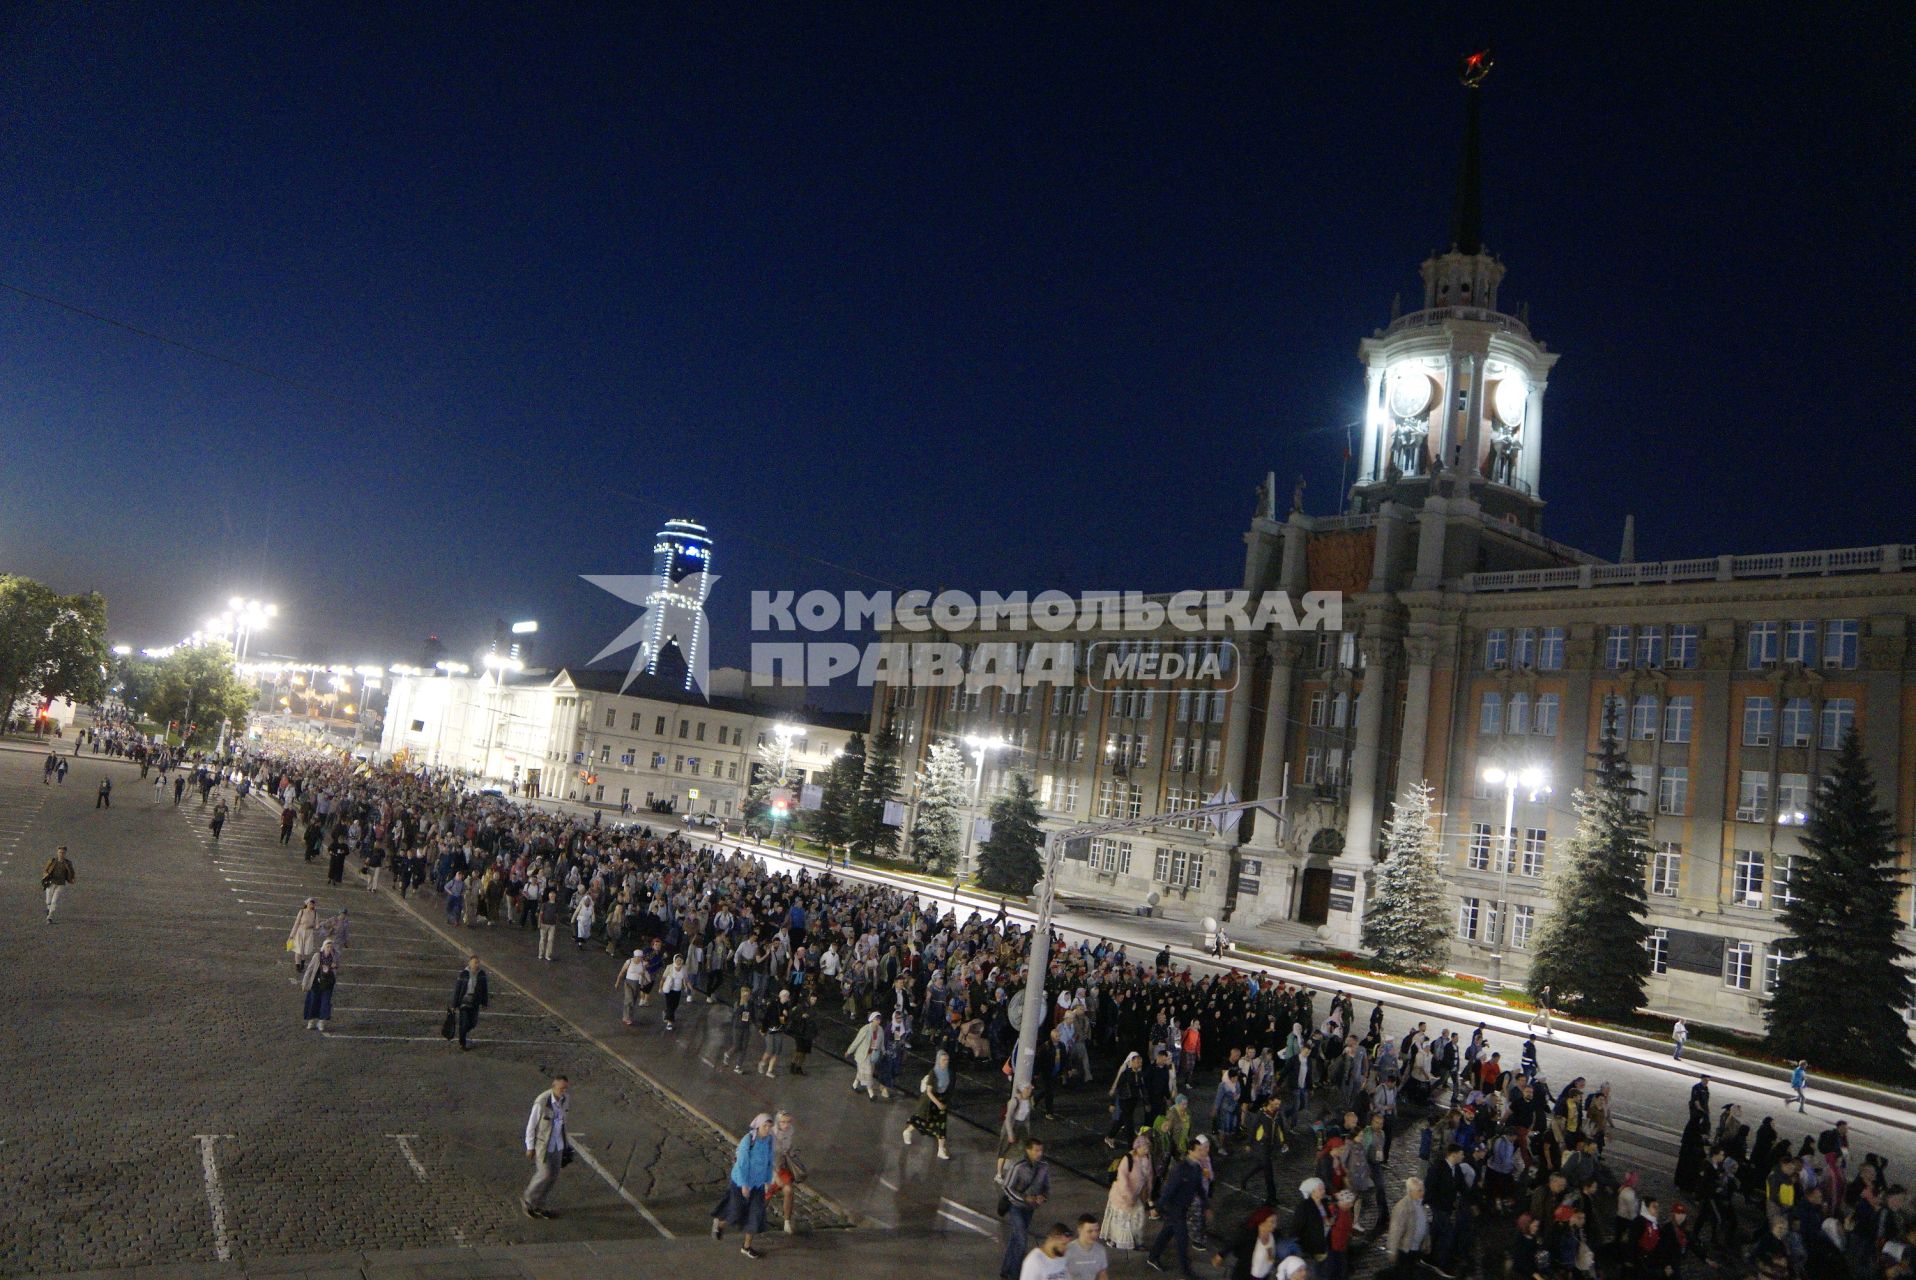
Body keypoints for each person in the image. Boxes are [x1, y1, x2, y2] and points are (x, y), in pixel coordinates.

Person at [712, 1112, 776, 1259]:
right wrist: (744, 1185)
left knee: (756, 1214)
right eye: (764, 1125)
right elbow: (741, 1164)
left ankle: (746, 1247)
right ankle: (720, 1224)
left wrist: (768, 1181)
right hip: (741, 1183)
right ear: (758, 1125)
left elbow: (769, 1162)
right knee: (735, 1211)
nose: (767, 1129)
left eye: (769, 1126)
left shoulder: (770, 1141)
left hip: (758, 1185)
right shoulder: (748, 1141)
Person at [1148, 1143, 1208, 1278]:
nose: (1201, 1152)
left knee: (1167, 1232)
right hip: (1175, 1208)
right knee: (1182, 1240)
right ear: (1190, 1151)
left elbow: (1199, 1188)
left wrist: (1206, 1205)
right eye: (1198, 1150)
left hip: (1182, 1208)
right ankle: (1186, 1272)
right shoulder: (1181, 1168)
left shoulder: (1196, 1168)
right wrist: (1157, 1208)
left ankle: (1153, 1256)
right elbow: (1169, 1190)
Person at [1000, 1137, 1052, 1280]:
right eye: (1036, 1150)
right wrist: (1024, 1198)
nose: (1039, 1153)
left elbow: (1046, 1187)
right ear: (1028, 1150)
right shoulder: (1019, 1166)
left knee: (1016, 1238)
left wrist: (1043, 1197)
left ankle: (1006, 1269)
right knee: (1022, 1240)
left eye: (1041, 1150)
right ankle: (1016, 1274)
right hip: (1016, 1207)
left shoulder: (1043, 1167)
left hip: (1030, 1209)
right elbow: (1007, 1187)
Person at [522, 1076, 571, 1219]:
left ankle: (538, 1204)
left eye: (565, 1088)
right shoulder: (542, 1102)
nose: (564, 1091)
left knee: (553, 1176)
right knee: (544, 1173)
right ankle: (528, 1199)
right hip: (544, 1144)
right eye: (561, 1088)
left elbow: (563, 1121)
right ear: (553, 1086)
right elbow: (531, 1125)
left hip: (558, 1144)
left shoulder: (566, 1099)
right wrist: (530, 1146)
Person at [1101, 1133, 1154, 1250]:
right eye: (1145, 1147)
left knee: (1138, 1219)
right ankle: (1115, 1239)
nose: (1147, 1150)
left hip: (1137, 1195)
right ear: (1137, 1147)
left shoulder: (1147, 1158)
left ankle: (1136, 1241)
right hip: (1122, 1196)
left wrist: (1148, 1195)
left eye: (1148, 1148)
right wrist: (1129, 1197)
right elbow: (1123, 1180)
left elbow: (1149, 1176)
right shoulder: (1128, 1159)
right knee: (1120, 1220)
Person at [903, 1048, 953, 1160]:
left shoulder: (947, 1072)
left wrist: (943, 1102)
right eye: (943, 1060)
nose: (946, 1062)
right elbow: (929, 1092)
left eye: (947, 1060)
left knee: (942, 1125)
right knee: (922, 1121)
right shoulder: (933, 1073)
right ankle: (907, 1131)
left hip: (941, 1099)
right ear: (938, 1061)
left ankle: (941, 1149)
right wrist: (938, 1103)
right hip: (930, 1101)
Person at [1385, 1177, 1431, 1280]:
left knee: (1410, 1271)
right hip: (1405, 1249)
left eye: (1423, 1189)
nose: (1422, 1192)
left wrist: (1426, 1242)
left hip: (1415, 1247)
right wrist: (1392, 1251)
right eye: (1419, 1190)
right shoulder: (1402, 1207)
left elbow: (1424, 1224)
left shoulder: (1420, 1203)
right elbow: (1395, 1230)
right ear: (1410, 1192)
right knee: (1403, 1273)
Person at [770, 1110, 804, 1234]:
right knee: (765, 1197)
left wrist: (792, 1153)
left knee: (789, 1191)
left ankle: (787, 1221)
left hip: (782, 1168)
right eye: (783, 1122)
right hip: (770, 1170)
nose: (786, 1125)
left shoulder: (790, 1131)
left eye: (788, 1122)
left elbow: (789, 1148)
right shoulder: (771, 1134)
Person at [451, 955, 489, 1050]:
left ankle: (463, 1034)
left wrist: (484, 1002)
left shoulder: (482, 974)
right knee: (464, 1022)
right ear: (470, 963)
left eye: (477, 962)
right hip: (464, 1002)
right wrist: (454, 1004)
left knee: (473, 1023)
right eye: (474, 962)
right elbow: (458, 989)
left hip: (475, 1002)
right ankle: (462, 1042)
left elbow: (485, 989)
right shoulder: (463, 974)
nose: (476, 964)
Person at [301, 937, 339, 1031]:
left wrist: (334, 968)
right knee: (313, 1002)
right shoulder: (317, 956)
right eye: (327, 946)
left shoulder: (334, 958)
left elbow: (336, 969)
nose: (329, 948)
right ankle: (311, 1021)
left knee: (325, 1003)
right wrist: (305, 983)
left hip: (328, 984)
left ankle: (321, 1022)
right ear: (324, 947)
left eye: (331, 947)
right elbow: (309, 970)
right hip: (316, 984)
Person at [848, 1011, 887, 1099]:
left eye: (879, 1019)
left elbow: (882, 1042)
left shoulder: (880, 1029)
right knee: (868, 1075)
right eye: (877, 1019)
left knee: (863, 1073)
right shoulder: (865, 1029)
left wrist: (883, 1051)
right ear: (872, 1020)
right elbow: (857, 1041)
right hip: (864, 1056)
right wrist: (849, 1051)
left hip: (873, 1056)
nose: (879, 1021)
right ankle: (871, 1094)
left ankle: (854, 1085)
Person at [1063, 1214, 1110, 1280]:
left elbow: (1102, 1274)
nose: (1094, 1234)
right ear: (1079, 1231)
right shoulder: (1067, 1250)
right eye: (1090, 1231)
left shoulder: (1100, 1250)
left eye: (1096, 1231)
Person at [41, 845, 76, 923]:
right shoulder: (52, 861)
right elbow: (45, 870)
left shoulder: (68, 863)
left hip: (61, 884)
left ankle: (49, 917)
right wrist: (46, 875)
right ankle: (48, 908)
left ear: (65, 853)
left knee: (54, 901)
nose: (61, 854)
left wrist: (72, 878)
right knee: (48, 900)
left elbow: (72, 872)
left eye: (63, 853)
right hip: (51, 883)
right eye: (60, 852)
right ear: (57, 852)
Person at [616, 949, 650, 1026]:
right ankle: (627, 1017)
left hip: (637, 984)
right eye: (637, 957)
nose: (639, 959)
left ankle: (628, 1016)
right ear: (634, 956)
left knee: (633, 1001)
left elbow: (644, 974)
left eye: (640, 957)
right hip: (628, 983)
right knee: (629, 999)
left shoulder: (642, 964)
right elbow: (622, 972)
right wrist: (617, 982)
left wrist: (642, 975)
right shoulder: (629, 962)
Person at [287, 898, 320, 979]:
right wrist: (292, 935)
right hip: (300, 932)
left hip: (309, 933)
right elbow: (296, 923)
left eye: (313, 904)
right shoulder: (302, 911)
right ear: (307, 904)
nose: (311, 905)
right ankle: (297, 965)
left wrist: (314, 926)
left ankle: (302, 962)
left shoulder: (315, 913)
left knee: (305, 950)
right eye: (310, 903)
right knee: (298, 949)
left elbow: (317, 925)